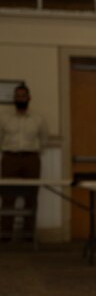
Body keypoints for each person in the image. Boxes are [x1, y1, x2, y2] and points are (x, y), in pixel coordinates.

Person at [0, 84, 50, 240]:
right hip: (10, 158)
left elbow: (44, 139)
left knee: (31, 196)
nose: (20, 99)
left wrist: (35, 152)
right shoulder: (4, 117)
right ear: (14, 99)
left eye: (23, 96)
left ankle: (28, 234)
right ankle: (5, 234)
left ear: (29, 98)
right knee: (7, 197)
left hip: (31, 158)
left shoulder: (38, 118)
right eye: (17, 96)